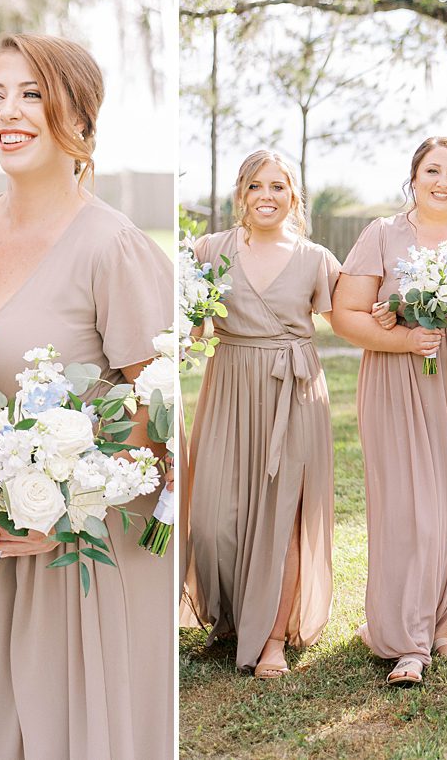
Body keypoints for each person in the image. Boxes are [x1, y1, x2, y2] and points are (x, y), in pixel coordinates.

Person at [0, 34, 173, 757]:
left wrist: (60, 505)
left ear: (81, 116)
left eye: (32, 93)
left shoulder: (112, 247)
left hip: (78, 553)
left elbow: (157, 416)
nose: (9, 111)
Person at [331, 136, 447, 687]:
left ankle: (442, 621)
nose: (443, 182)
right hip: (404, 378)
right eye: (433, 170)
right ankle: (409, 641)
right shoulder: (382, 234)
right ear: (413, 177)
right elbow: (345, 314)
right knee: (417, 504)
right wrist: (402, 338)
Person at [182, 150, 341, 678]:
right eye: (256, 186)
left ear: (293, 196)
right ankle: (229, 618)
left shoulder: (316, 258)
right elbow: (193, 325)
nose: (267, 196)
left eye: (278, 186)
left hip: (292, 391)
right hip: (228, 384)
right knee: (211, 520)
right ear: (241, 195)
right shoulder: (209, 250)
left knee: (282, 521)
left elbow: (350, 318)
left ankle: (272, 637)